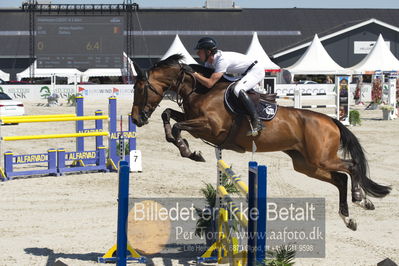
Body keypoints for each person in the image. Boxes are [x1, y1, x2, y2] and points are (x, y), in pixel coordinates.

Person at [192, 37, 265, 136]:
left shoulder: (221, 60)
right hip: (244, 73)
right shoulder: (209, 63)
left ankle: (257, 121)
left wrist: (194, 74)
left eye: (199, 51)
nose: (197, 54)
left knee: (237, 89)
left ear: (208, 52)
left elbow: (209, 83)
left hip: (256, 70)